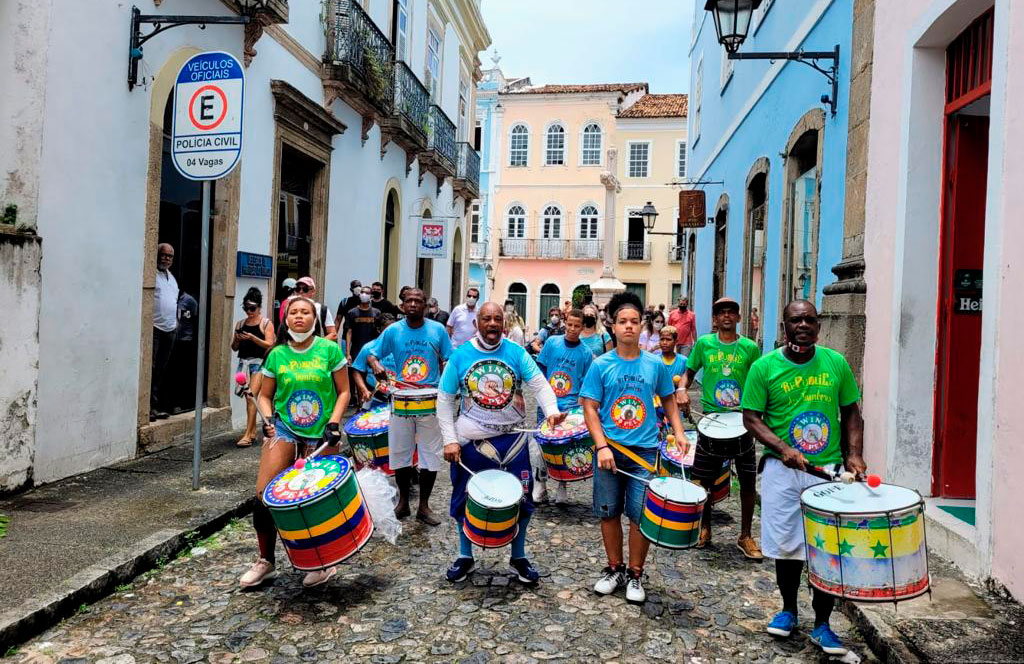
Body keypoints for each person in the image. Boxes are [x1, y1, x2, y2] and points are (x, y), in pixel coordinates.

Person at [742, 300, 865, 656]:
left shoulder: (836, 363)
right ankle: (788, 610)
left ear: (819, 325)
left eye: (810, 319)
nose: (804, 325)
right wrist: (783, 448)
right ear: (784, 326)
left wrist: (853, 453)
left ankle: (823, 624)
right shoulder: (765, 367)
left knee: (825, 548)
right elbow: (751, 418)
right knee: (788, 545)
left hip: (826, 473)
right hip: (783, 471)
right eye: (796, 320)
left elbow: (851, 412)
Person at [437, 302, 565, 584]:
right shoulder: (460, 356)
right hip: (471, 442)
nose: (492, 324)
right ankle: (464, 556)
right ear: (476, 324)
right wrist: (449, 440)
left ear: (503, 324)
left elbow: (540, 385)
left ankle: (518, 557)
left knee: (522, 499)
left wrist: (553, 411)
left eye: (497, 319)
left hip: (514, 440)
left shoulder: (517, 352)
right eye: (487, 319)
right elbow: (444, 399)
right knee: (464, 498)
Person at [581, 291, 688, 605]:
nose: (629, 326)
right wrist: (601, 446)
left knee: (640, 515)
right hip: (610, 450)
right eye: (622, 321)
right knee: (608, 511)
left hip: (644, 451)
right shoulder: (600, 365)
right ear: (612, 326)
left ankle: (636, 574)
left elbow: (668, 398)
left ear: (643, 326)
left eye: (634, 321)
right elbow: (590, 407)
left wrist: (679, 432)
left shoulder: (655, 365)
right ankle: (614, 568)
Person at [240, 296, 351, 589]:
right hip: (285, 429)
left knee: (317, 501)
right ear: (285, 319)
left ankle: (324, 562)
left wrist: (335, 423)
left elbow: (344, 392)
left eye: (305, 312)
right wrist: (266, 420)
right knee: (264, 497)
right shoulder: (277, 354)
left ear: (314, 319)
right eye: (294, 313)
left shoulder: (328, 350)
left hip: (322, 434)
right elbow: (264, 394)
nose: (299, 317)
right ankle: (266, 561)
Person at [677, 297, 763, 557]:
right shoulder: (704, 344)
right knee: (704, 481)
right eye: (721, 313)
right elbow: (689, 373)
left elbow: (759, 382)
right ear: (714, 319)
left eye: (731, 312)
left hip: (741, 422)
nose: (726, 316)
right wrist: (682, 389)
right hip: (711, 421)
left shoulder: (749, 348)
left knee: (747, 481)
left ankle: (745, 535)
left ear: (738, 318)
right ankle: (704, 528)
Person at [368, 288, 452, 524]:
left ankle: (424, 506)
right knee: (399, 453)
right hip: (401, 398)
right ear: (402, 305)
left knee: (430, 454)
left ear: (425, 305)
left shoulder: (437, 330)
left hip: (430, 399)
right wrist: (376, 365)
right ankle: (403, 502)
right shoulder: (393, 330)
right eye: (409, 300)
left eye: (418, 300)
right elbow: (372, 354)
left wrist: (447, 379)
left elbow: (449, 358)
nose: (413, 304)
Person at [532, 308, 594, 504]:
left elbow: (586, 383)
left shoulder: (586, 353)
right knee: (541, 444)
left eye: (577, 326)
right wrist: (542, 394)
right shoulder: (552, 343)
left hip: (569, 405)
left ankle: (562, 485)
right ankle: (540, 484)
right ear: (565, 323)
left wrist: (579, 406)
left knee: (563, 446)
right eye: (569, 325)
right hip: (547, 402)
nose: (572, 329)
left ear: (583, 327)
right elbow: (540, 369)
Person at [231, 287, 275, 447]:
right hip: (244, 363)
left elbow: (270, 343)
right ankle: (252, 431)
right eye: (246, 308)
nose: (249, 311)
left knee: (251, 396)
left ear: (259, 307)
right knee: (247, 398)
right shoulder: (240, 323)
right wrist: (238, 339)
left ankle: (248, 435)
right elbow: (234, 348)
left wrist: (253, 338)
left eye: (252, 308)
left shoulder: (265, 323)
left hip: (259, 363)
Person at [151, 243, 179, 421]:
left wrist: (176, 322)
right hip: (154, 328)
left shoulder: (172, 278)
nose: (166, 258)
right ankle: (148, 409)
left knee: (161, 369)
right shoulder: (151, 274)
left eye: (170, 256)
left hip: (170, 329)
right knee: (151, 368)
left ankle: (157, 405)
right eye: (163, 255)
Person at [351, 313, 397, 408]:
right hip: (375, 397)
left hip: (398, 397)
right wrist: (364, 390)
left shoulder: (400, 347)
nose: (392, 332)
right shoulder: (368, 348)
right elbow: (356, 371)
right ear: (379, 329)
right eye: (388, 329)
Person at [170, 289, 199, 415]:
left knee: (183, 372)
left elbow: (196, 318)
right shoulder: (169, 297)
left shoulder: (190, 301)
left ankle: (183, 402)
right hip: (171, 338)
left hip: (185, 340)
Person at [343, 285, 381, 369]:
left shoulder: (376, 313)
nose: (364, 294)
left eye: (367, 293)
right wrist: (348, 353)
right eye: (362, 292)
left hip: (372, 351)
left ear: (371, 296)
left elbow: (380, 334)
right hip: (356, 350)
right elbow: (349, 333)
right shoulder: (352, 313)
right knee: (355, 372)